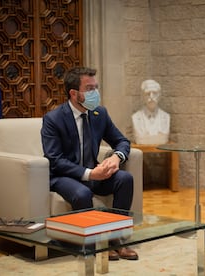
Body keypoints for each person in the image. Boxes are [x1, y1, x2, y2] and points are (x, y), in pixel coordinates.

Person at [41, 66, 138, 261]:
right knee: (82, 193)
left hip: (94, 171)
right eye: (90, 88)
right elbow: (54, 160)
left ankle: (116, 239)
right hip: (63, 176)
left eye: (96, 87)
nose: (96, 93)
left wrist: (116, 157)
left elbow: (122, 141)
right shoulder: (53, 119)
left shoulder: (99, 113)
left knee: (125, 179)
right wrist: (89, 174)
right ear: (74, 93)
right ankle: (93, 244)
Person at [132, 79, 170, 144]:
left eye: (154, 93)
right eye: (147, 94)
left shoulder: (166, 117)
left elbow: (164, 139)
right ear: (143, 96)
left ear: (159, 96)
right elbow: (140, 139)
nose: (151, 97)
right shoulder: (135, 117)